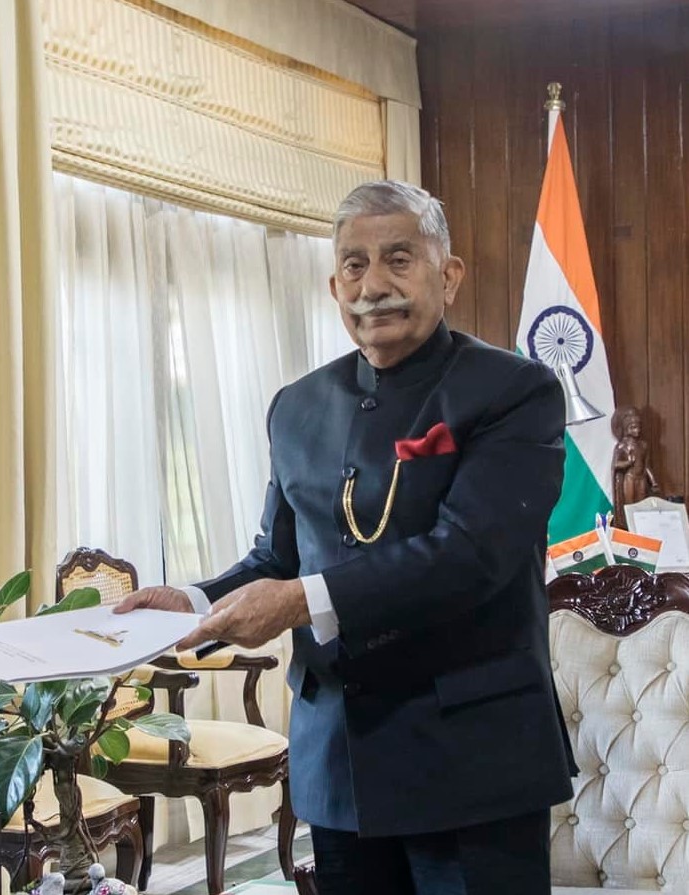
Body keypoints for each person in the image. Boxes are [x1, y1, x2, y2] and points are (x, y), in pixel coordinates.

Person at [118, 181, 575, 894]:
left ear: (448, 275)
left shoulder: (514, 391)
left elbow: (470, 555)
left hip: (471, 763)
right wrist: (192, 601)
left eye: (399, 258)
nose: (374, 285)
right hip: (339, 763)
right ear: (334, 285)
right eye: (354, 265)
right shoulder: (296, 407)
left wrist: (301, 601)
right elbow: (277, 558)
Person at [611, 405, 658, 526]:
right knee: (629, 505)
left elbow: (646, 465)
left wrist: (653, 481)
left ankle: (640, 527)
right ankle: (628, 528)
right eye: (633, 427)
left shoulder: (643, 445)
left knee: (641, 505)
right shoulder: (622, 446)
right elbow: (616, 465)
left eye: (638, 427)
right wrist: (628, 463)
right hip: (629, 478)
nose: (637, 430)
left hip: (641, 478)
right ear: (626, 428)